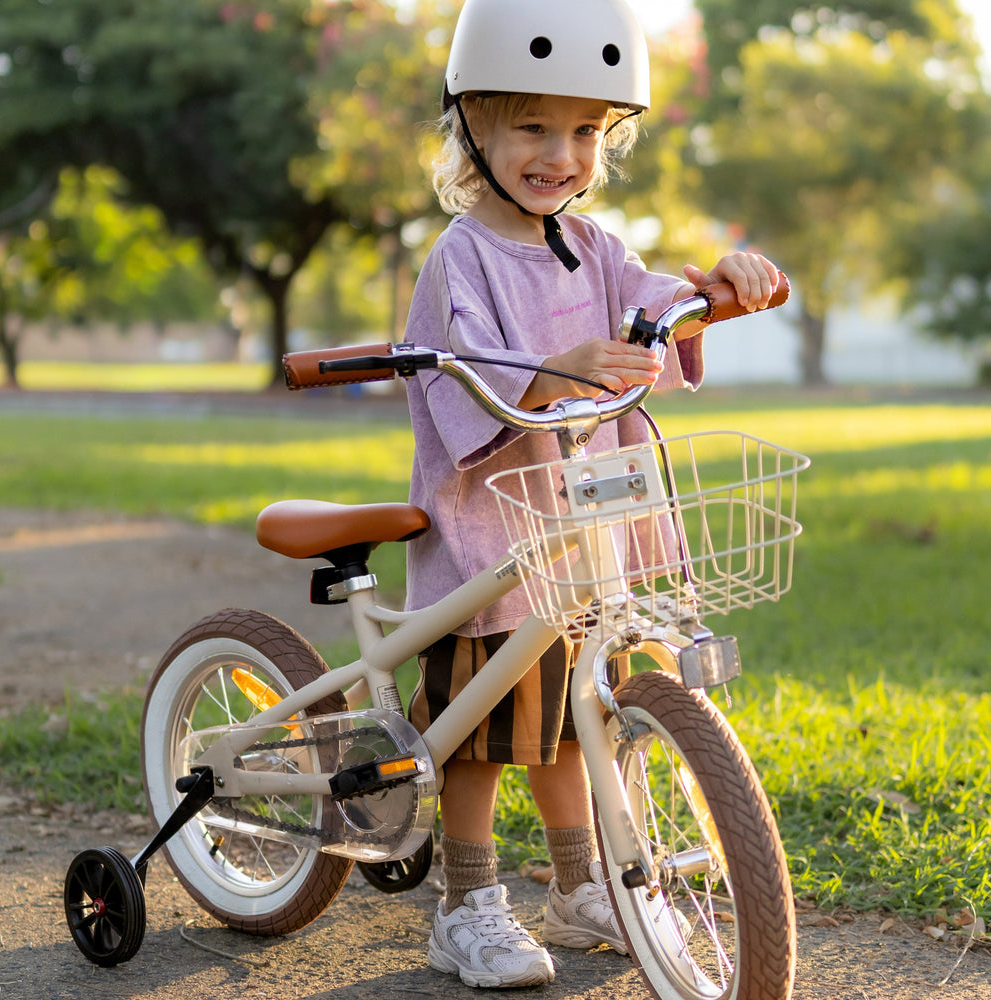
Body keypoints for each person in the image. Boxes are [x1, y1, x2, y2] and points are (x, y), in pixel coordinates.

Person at [402, 0, 781, 988]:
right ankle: (467, 903)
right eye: (530, 125)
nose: (558, 154)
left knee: (577, 715)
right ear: (472, 123)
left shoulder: (595, 247)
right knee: (486, 735)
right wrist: (544, 372)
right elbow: (454, 384)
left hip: (586, 538)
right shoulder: (460, 261)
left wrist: (722, 289)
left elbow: (655, 302)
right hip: (495, 541)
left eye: (582, 130)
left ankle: (579, 887)